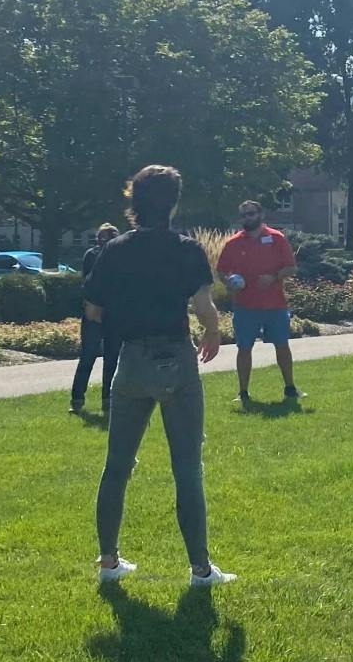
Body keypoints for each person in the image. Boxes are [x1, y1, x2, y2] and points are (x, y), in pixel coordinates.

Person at [83, 165, 231, 587]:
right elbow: (204, 307)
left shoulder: (114, 250)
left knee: (117, 465)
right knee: (187, 467)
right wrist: (214, 332)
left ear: (133, 201)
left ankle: (109, 561)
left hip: (130, 359)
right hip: (175, 357)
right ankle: (200, 568)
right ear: (174, 202)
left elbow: (93, 309)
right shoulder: (186, 249)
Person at [215, 199, 303, 406]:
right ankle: (243, 393)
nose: (248, 218)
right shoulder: (233, 243)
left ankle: (290, 387)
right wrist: (229, 282)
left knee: (282, 345)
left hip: (275, 305)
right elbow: (221, 270)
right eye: (244, 215)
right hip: (245, 306)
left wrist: (273, 277)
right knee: (244, 348)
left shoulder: (276, 238)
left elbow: (291, 268)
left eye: (251, 214)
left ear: (260, 215)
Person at [69, 224, 121, 415]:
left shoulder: (121, 258)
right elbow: (87, 282)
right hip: (94, 312)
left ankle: (108, 399)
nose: (105, 241)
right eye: (103, 238)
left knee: (111, 359)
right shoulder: (92, 255)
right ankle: (77, 398)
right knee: (88, 356)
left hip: (114, 313)